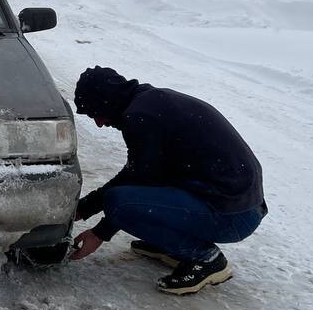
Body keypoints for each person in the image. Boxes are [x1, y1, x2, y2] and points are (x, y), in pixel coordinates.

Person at [69, 66, 267, 295]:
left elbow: (138, 182)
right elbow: (141, 172)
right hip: (241, 204)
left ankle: (206, 259)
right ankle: (172, 246)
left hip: (233, 216)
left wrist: (99, 232)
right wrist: (85, 208)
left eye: (95, 113)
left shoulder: (140, 117)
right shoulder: (149, 102)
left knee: (120, 204)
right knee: (132, 198)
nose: (99, 123)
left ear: (106, 102)